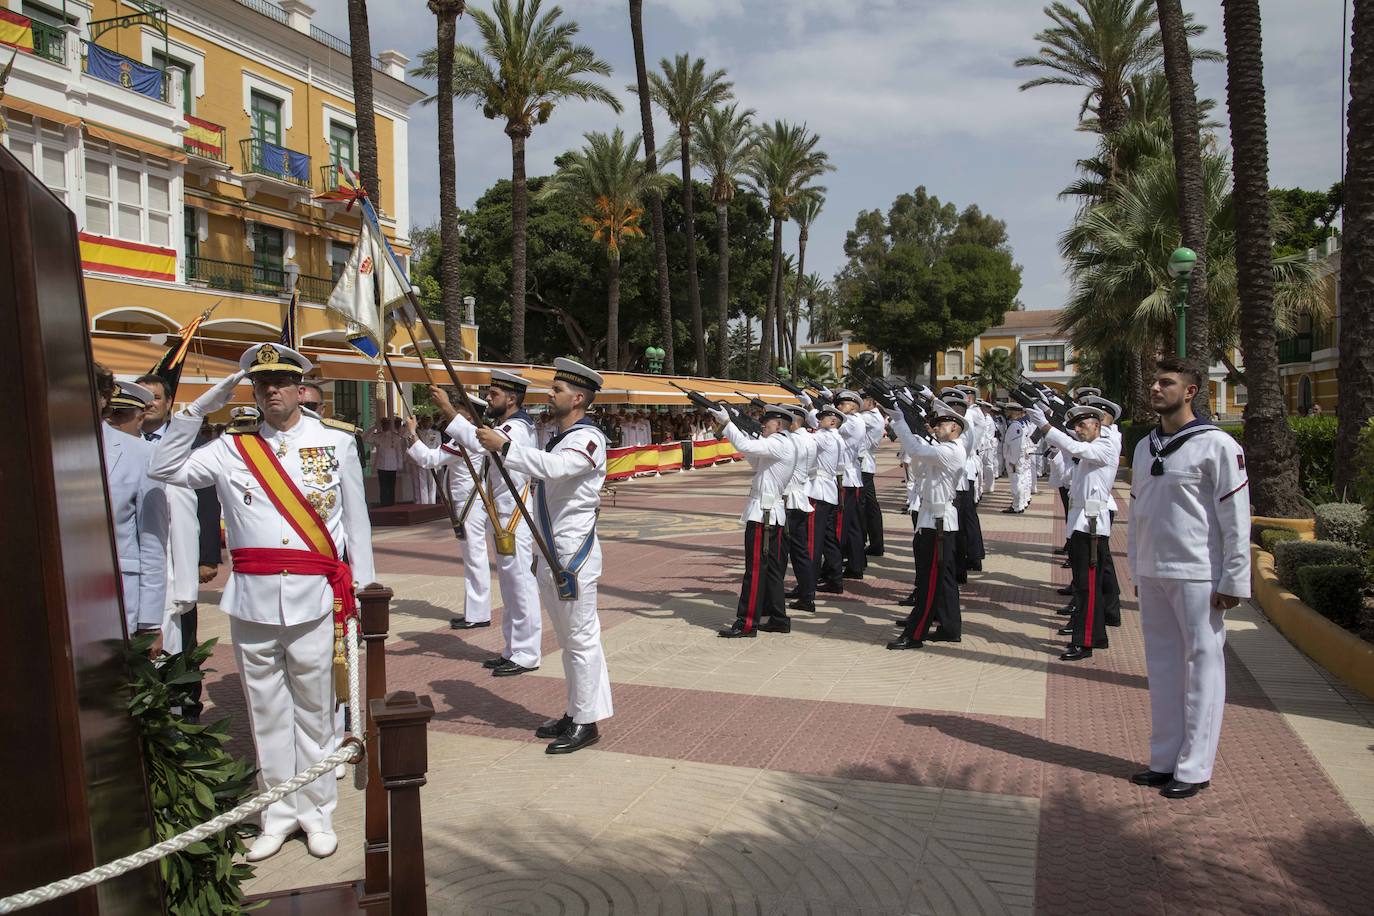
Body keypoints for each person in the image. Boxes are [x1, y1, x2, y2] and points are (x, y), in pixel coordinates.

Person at [147, 343, 376, 861]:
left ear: (301, 388)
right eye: (261, 382)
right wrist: (198, 406)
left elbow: (357, 524)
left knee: (316, 713)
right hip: (251, 598)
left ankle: (317, 813)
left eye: (280, 381)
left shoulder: (335, 443)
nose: (271, 390)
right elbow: (164, 469)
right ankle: (277, 813)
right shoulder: (232, 447)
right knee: (267, 712)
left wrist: (363, 592)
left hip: (315, 597)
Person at [459, 358, 614, 754]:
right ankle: (576, 710)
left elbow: (556, 469)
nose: (549, 393)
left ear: (578, 398)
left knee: (580, 639)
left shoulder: (588, 437)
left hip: (571, 556)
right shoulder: (561, 436)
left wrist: (506, 447)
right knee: (568, 640)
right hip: (551, 553)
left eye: (557, 390)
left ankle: (587, 721)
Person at [1127, 357, 1250, 800]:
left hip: (1200, 573)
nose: (1155, 389)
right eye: (1154, 381)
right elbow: (1138, 512)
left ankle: (1195, 767)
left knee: (1203, 667)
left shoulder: (1217, 445)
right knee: (1162, 668)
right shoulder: (1144, 446)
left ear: (1192, 391)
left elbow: (1235, 517)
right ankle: (1164, 760)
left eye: (1166, 382)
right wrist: (1136, 566)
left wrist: (1234, 579)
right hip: (1155, 571)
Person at [436, 370, 543, 677]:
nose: (487, 398)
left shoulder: (517, 428)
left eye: (494, 394)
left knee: (521, 585)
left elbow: (481, 443)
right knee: (511, 587)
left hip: (516, 516)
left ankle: (526, 652)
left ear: (512, 398)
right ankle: (513, 648)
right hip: (505, 516)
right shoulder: (508, 425)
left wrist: (447, 410)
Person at [1028, 403, 1121, 661]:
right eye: (1075, 426)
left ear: (1098, 426)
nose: (1078, 430)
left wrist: (1046, 426)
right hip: (1082, 523)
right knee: (1085, 585)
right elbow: (1071, 458)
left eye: (1083, 425)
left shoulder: (1105, 446)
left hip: (1091, 526)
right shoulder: (1090, 451)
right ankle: (1096, 636)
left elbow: (1076, 448)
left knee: (1087, 587)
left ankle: (1085, 640)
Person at [709, 402, 798, 637]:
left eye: (766, 422)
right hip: (770, 513)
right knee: (771, 572)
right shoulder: (783, 444)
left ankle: (747, 623)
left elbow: (747, 445)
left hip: (763, 515)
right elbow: (755, 459)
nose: (762, 425)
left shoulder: (779, 442)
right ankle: (778, 618)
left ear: (778, 425)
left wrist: (727, 423)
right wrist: (740, 427)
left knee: (755, 571)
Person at [884, 402, 967, 650]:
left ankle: (915, 633)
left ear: (955, 427)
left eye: (941, 424)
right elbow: (920, 457)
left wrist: (899, 420)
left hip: (938, 524)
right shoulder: (943, 449)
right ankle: (949, 627)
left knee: (929, 582)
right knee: (942, 581)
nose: (936, 427)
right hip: (932, 519)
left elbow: (915, 449)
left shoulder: (950, 451)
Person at [404, 397, 492, 631]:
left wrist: (412, 434)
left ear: (470, 417)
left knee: (474, 557)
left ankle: (478, 613)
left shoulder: (466, 438)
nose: (451, 415)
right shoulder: (471, 435)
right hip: (468, 501)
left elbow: (429, 459)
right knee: (474, 556)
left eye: (458, 411)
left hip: (468, 502)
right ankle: (475, 611)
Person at [101, 373, 170, 650]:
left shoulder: (142, 454)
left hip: (119, 598)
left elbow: (152, 541)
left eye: (121, 413)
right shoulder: (52, 445)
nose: (113, 419)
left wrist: (150, 621)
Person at [804, 404, 846, 597]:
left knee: (812, 540)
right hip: (828, 490)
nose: (818, 420)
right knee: (829, 539)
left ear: (832, 421)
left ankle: (807, 584)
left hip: (818, 490)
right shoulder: (837, 438)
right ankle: (835, 579)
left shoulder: (823, 437)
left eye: (823, 418)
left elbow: (803, 442)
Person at [781, 405, 819, 612]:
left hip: (789, 499)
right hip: (802, 495)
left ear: (795, 422)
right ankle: (807, 594)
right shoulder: (810, 439)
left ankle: (779, 597)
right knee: (800, 551)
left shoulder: (791, 441)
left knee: (781, 551)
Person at [833, 390, 870, 578]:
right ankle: (856, 565)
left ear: (854, 406)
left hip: (846, 479)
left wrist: (811, 407)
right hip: (849, 478)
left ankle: (834, 566)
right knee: (854, 526)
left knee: (841, 525)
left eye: (843, 404)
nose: (838, 406)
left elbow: (828, 425)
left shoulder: (853, 421)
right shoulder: (851, 420)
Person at [858, 394, 886, 558]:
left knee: (866, 507)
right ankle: (876, 543)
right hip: (866, 463)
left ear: (870, 402)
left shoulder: (869, 417)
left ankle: (873, 543)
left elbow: (847, 420)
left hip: (863, 464)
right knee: (870, 506)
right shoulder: (871, 415)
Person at [364, 417, 405, 506]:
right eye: (383, 424)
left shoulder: (395, 437)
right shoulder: (378, 436)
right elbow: (366, 438)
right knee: (383, 488)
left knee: (391, 488)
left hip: (392, 466)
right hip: (381, 465)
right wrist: (374, 427)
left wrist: (400, 464)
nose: (385, 426)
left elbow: (399, 452)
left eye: (387, 424)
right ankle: (384, 505)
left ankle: (391, 504)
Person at [1001, 404, 1034, 513]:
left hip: (1014, 459)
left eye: (1008, 411)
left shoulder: (1015, 426)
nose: (1006, 413)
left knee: (1017, 482)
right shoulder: (1020, 424)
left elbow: (1016, 446)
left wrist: (1012, 461)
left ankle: (1017, 506)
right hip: (1019, 457)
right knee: (1022, 480)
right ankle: (1022, 502)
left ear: (1013, 412)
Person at [406, 415, 441, 505]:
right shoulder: (418, 432)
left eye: (429, 421)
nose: (427, 423)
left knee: (432, 483)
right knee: (422, 483)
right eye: (425, 421)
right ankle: (423, 503)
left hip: (433, 459)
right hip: (421, 460)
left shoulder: (436, 433)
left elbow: (439, 446)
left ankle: (432, 503)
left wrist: (438, 463)